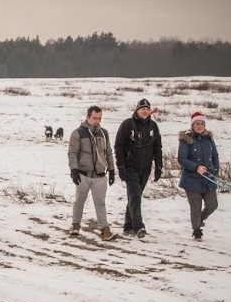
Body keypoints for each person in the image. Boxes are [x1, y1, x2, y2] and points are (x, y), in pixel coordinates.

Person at [114, 98, 162, 238]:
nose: (145, 111)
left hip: (146, 168)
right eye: (142, 109)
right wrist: (121, 166)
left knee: (135, 196)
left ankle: (128, 226)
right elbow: (119, 146)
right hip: (130, 167)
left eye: (147, 109)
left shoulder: (153, 126)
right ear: (137, 110)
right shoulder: (128, 124)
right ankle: (138, 226)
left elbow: (157, 147)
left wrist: (159, 165)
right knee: (135, 196)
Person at [68, 106, 116, 241]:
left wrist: (112, 170)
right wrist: (74, 170)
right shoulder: (77, 133)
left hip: (100, 176)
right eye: (94, 118)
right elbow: (72, 153)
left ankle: (104, 230)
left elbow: (108, 153)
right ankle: (75, 225)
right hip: (83, 174)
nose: (97, 121)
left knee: (100, 202)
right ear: (88, 117)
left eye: (99, 118)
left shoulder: (104, 133)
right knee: (79, 201)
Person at [178, 111, 219, 241]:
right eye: (197, 124)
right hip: (191, 179)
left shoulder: (209, 138)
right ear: (192, 125)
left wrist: (215, 170)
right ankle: (197, 231)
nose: (200, 126)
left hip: (209, 178)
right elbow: (182, 158)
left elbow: (215, 156)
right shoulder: (186, 139)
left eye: (202, 123)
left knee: (212, 205)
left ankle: (200, 219)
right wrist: (196, 167)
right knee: (195, 207)